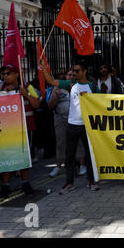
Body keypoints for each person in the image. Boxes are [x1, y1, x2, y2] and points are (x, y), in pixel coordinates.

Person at [39, 60, 99, 194]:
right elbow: (51, 81)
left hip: (87, 126)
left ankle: (91, 180)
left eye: (77, 71)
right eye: (73, 71)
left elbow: (100, 103)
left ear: (84, 71)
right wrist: (43, 68)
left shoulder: (92, 86)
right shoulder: (70, 84)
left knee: (89, 155)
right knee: (69, 156)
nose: (74, 73)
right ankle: (69, 183)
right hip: (72, 125)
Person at [0, 64, 39, 198]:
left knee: (25, 155)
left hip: (25, 127)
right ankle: (5, 185)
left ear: (17, 74)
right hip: (6, 128)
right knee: (6, 155)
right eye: (3, 74)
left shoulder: (26, 86)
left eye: (9, 73)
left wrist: (26, 94)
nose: (5, 76)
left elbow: (36, 104)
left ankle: (25, 182)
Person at [47, 68, 86, 178]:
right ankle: (58, 165)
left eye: (74, 75)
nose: (71, 77)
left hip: (77, 119)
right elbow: (50, 105)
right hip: (61, 119)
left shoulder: (81, 87)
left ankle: (82, 165)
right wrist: (55, 93)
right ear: (65, 77)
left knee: (79, 142)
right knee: (61, 142)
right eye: (69, 75)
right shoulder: (58, 87)